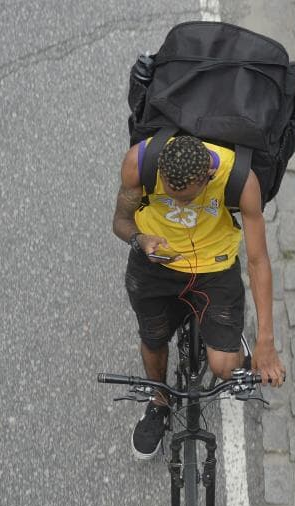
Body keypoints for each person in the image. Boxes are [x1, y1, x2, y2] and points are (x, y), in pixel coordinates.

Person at [113, 135, 286, 459]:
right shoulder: (140, 162)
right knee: (153, 338)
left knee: (225, 367)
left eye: (187, 199)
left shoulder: (239, 179)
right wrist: (140, 240)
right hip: (156, 264)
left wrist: (266, 341)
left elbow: (258, 260)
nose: (179, 207)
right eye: (171, 196)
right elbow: (120, 222)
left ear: (208, 176)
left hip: (214, 268)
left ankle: (229, 340)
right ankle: (159, 401)